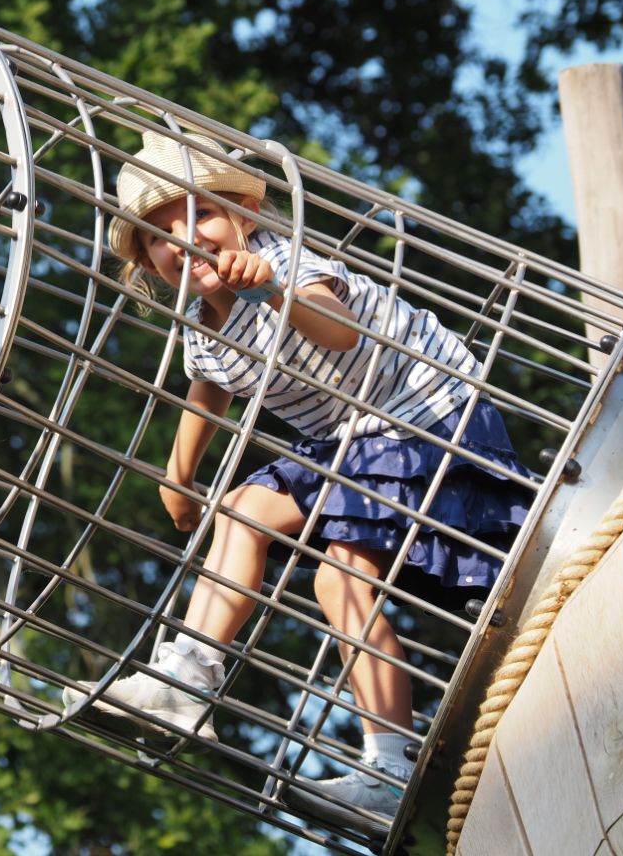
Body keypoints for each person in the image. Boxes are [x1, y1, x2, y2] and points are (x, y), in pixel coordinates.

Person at [62, 130, 535, 834]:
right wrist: (179, 473)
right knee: (244, 509)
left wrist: (277, 288)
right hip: (348, 440)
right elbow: (207, 389)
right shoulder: (200, 325)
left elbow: (340, 332)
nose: (185, 240)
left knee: (339, 579)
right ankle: (186, 684)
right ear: (149, 265)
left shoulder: (283, 261)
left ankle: (387, 769)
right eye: (160, 237)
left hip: (425, 418)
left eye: (201, 217)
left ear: (244, 217)